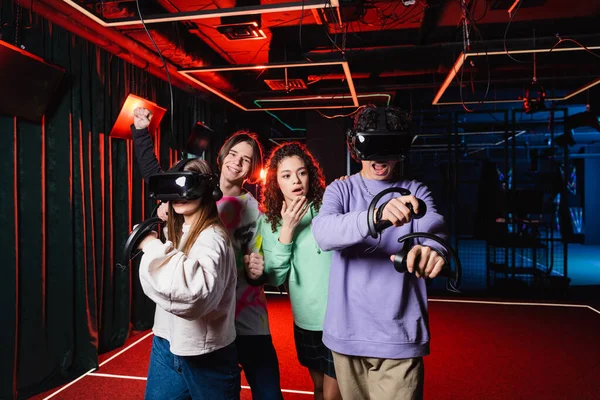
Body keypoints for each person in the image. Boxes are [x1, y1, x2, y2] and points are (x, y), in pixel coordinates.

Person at [131, 108, 283, 399]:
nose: (237, 162)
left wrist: (257, 272)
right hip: (197, 318)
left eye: (246, 159)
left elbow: (260, 262)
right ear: (222, 156)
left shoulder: (253, 210)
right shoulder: (194, 191)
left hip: (243, 314)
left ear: (252, 170)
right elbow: (158, 178)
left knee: (268, 393)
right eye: (233, 154)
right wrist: (141, 133)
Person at [311, 105, 448, 400]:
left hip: (399, 336)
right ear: (355, 147)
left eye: (389, 146)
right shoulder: (341, 191)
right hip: (347, 336)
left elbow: (433, 231)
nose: (379, 158)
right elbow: (323, 233)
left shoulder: (416, 191)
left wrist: (432, 251)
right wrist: (375, 216)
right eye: (372, 145)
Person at [137, 159, 240, 399]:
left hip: (207, 354)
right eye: (174, 187)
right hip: (166, 342)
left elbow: (194, 293)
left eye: (187, 185)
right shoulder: (177, 230)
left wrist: (151, 246)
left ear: (207, 190)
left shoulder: (213, 238)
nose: (180, 194)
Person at [255, 142, 341, 400]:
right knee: (318, 388)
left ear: (310, 175)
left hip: (339, 315)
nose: (296, 180)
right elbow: (275, 277)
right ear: (276, 182)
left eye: (301, 172)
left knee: (333, 394)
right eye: (287, 175)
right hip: (305, 318)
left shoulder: (330, 203)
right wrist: (287, 230)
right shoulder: (270, 220)